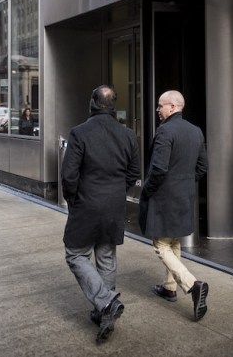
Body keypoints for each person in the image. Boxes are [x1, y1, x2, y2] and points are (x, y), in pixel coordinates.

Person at [61, 85, 140, 343]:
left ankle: (105, 302)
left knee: (75, 254)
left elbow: (68, 174)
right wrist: (117, 192)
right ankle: (103, 311)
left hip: (86, 204)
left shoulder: (79, 133)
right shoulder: (128, 135)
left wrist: (72, 200)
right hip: (114, 206)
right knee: (106, 257)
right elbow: (134, 172)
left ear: (94, 102)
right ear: (113, 105)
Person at [139, 90, 209, 321]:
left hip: (164, 197)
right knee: (174, 239)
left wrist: (147, 190)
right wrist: (185, 183)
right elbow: (202, 167)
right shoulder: (195, 131)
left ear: (172, 107)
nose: (158, 110)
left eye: (160, 106)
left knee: (161, 244)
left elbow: (158, 169)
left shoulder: (165, 131)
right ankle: (169, 287)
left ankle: (192, 285)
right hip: (184, 195)